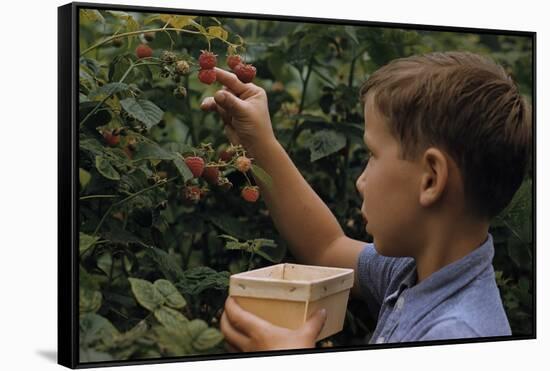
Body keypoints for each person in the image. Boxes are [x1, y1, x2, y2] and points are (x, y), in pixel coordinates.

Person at [199, 51, 532, 352]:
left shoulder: (458, 335)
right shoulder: (414, 271)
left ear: (431, 179)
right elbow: (326, 246)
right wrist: (259, 142)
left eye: (372, 155)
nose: (361, 180)